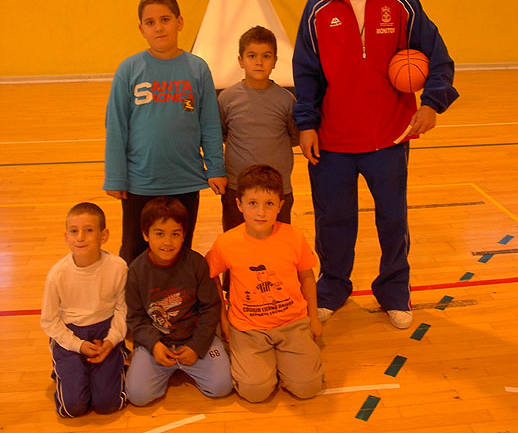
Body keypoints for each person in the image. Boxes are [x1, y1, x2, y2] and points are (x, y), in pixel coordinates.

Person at [292, 0, 459, 330]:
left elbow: (439, 59)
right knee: (333, 219)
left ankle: (393, 292)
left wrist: (432, 105)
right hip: (332, 139)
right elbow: (305, 73)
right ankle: (332, 288)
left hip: (390, 134)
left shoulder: (402, 3)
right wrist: (306, 123)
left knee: (392, 218)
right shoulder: (318, 8)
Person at [103, 0, 227, 264]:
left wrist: (216, 167)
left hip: (185, 178)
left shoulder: (197, 69)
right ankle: (135, 306)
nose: (158, 27)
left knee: (179, 249)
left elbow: (209, 123)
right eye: (150, 22)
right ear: (141, 29)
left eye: (165, 19)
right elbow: (116, 126)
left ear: (179, 22)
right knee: (136, 251)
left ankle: (177, 304)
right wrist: (115, 177)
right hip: (140, 182)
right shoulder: (129, 70)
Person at [206, 164, 325, 402]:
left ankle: (288, 363)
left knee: (308, 387)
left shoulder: (293, 236)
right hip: (248, 328)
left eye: (269, 204)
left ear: (280, 206)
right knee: (254, 391)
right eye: (252, 203)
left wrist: (312, 317)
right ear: (239, 205)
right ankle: (268, 365)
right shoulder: (226, 242)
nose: (261, 212)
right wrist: (223, 320)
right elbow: (211, 278)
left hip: (292, 323)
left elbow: (307, 277)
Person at [124, 197, 232, 405]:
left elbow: (210, 308)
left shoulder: (196, 264)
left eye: (175, 234)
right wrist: (153, 345)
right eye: (159, 234)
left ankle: (199, 360)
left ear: (184, 235)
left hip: (194, 339)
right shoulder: (136, 271)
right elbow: (135, 318)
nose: (167, 242)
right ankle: (165, 366)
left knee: (222, 387)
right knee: (138, 395)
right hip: (157, 345)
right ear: (146, 235)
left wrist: (196, 346)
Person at [40, 202, 128, 418]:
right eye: (74, 231)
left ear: (104, 235)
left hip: (105, 333)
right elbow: (49, 321)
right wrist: (78, 345)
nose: (80, 237)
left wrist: (111, 340)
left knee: (108, 404)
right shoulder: (57, 275)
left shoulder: (118, 267)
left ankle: (118, 358)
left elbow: (122, 309)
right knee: (73, 408)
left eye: (89, 230)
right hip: (71, 335)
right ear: (66, 236)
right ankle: (66, 368)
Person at [218, 26, 299, 233]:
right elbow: (223, 134)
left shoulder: (286, 100)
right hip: (237, 187)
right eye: (252, 55)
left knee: (278, 247)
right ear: (240, 60)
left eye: (266, 56)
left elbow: (294, 137)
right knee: (235, 247)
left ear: (275, 61)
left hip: (278, 189)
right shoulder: (227, 98)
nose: (259, 62)